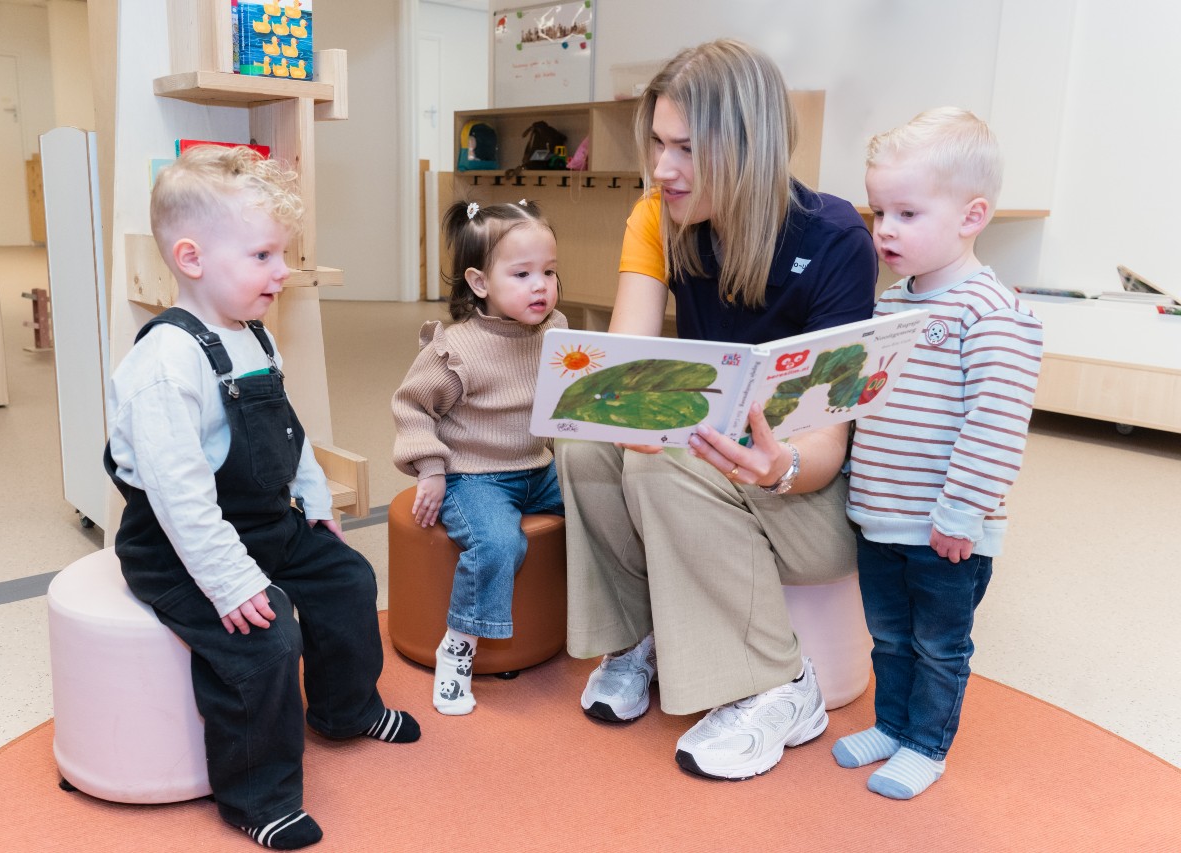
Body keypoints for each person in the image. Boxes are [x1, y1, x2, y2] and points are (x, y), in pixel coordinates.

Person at [556, 38, 878, 779]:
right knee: (585, 447)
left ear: (749, 146)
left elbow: (826, 447)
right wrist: (611, 414)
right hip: (707, 467)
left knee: (665, 463)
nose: (662, 169)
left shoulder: (836, 241)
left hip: (808, 499)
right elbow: (623, 369)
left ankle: (780, 682)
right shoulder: (657, 216)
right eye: (658, 144)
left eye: (687, 150)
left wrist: (777, 465)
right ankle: (640, 635)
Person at [104, 144, 419, 851]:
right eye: (263, 256)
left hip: (262, 520)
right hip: (177, 545)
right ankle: (256, 794)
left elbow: (287, 430)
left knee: (347, 578)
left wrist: (314, 499)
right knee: (267, 637)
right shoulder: (164, 365)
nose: (282, 271)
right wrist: (231, 582)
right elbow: (180, 500)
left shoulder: (254, 337)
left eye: (283, 254)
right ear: (191, 258)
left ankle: (345, 709)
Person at [833, 107, 1043, 798]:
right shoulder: (891, 304)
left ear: (971, 216)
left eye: (907, 213)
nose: (884, 229)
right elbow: (868, 401)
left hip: (944, 530)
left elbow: (996, 424)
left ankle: (926, 744)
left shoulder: (992, 313)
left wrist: (959, 513)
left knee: (938, 645)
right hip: (881, 516)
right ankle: (892, 725)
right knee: (889, 636)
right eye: (879, 211)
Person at [392, 199, 566, 716]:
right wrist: (430, 469)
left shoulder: (556, 332)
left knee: (607, 507)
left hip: (538, 468)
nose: (541, 286)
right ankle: (459, 646)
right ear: (480, 282)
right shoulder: (456, 349)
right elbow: (411, 407)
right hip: (476, 478)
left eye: (549, 272)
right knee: (497, 545)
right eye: (522, 274)